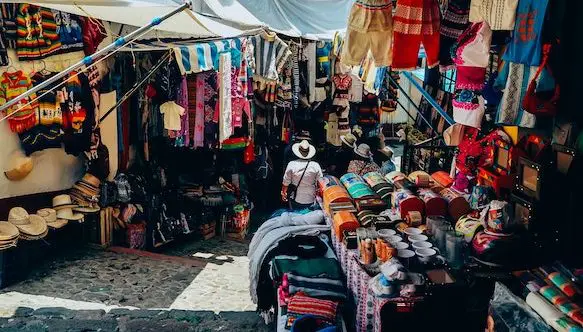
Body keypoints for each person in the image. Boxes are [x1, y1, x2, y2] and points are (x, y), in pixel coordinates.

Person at [281, 140, 323, 210]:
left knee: (295, 216)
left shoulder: (291, 164)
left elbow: (286, 183)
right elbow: (320, 183)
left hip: (295, 197)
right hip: (311, 198)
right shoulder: (315, 165)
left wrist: (283, 193)